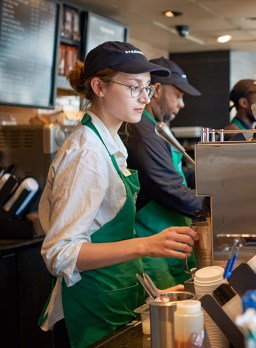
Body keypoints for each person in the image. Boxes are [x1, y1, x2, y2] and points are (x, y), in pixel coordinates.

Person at [38, 42, 198, 347]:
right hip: (92, 305)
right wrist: (146, 245)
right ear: (99, 86)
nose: (143, 98)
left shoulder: (111, 142)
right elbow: (61, 254)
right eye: (133, 87)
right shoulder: (86, 153)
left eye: (148, 88)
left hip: (116, 294)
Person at [123, 57, 205, 289]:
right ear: (157, 90)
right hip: (152, 250)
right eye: (178, 96)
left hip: (169, 243)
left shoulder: (156, 128)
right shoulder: (143, 132)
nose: (181, 104)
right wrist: (215, 204)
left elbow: (180, 175)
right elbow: (170, 189)